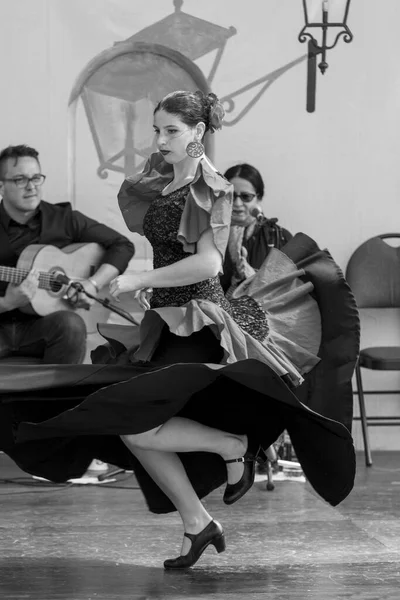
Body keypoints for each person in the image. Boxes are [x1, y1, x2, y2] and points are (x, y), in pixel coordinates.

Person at [0, 91, 357, 571]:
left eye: (171, 130)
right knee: (131, 429)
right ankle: (198, 524)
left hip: (196, 322)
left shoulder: (211, 186)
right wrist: (150, 288)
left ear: (197, 133)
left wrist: (140, 279)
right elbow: (170, 253)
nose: (160, 138)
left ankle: (235, 446)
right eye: (157, 129)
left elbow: (209, 262)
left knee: (136, 423)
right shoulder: (168, 181)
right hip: (164, 320)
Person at [0, 144, 135, 363]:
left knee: (71, 324)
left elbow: (122, 246)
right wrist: (6, 303)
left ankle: (60, 395)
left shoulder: (64, 218)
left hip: (43, 326)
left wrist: (92, 284)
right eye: (20, 179)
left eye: (36, 178)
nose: (31, 187)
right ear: (1, 186)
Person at [220, 163, 292, 295]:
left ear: (259, 198)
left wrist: (254, 278)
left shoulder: (278, 236)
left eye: (246, 197)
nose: (237, 204)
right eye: (231, 195)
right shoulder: (210, 234)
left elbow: (287, 291)